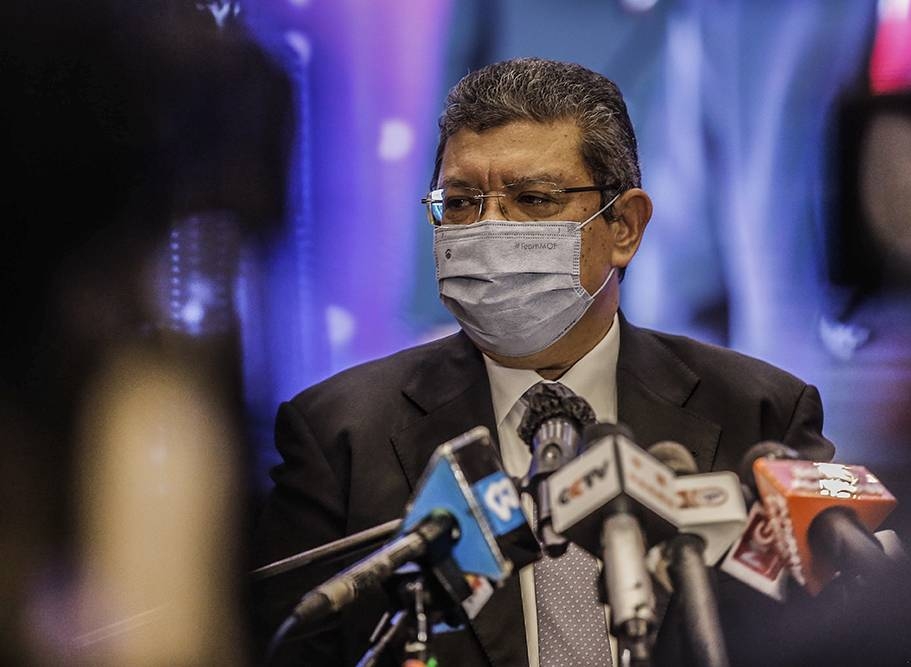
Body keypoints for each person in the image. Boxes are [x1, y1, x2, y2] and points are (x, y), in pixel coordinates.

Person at [252, 57, 835, 666]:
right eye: (460, 203)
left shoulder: (760, 416)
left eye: (533, 198)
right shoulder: (339, 437)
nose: (487, 230)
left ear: (625, 228)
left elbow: (846, 634)